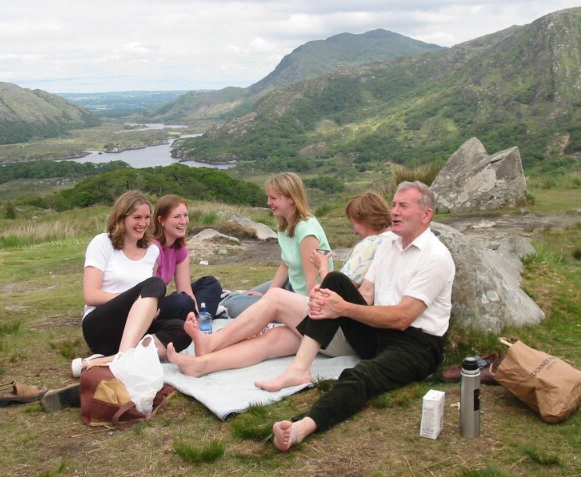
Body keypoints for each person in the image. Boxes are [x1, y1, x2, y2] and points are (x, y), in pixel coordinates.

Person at [271, 181, 455, 452]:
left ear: (425, 215)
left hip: (416, 344)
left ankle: (301, 426)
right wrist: (333, 300)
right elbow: (367, 294)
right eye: (393, 204)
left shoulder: (436, 257)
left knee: (362, 374)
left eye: (403, 206)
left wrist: (342, 308)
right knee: (335, 280)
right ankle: (300, 369)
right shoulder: (389, 244)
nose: (394, 211)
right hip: (377, 331)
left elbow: (403, 317)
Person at [166, 191, 394, 378]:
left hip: (347, 330)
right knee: (274, 340)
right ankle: (202, 365)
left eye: (354, 221)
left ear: (364, 218)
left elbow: (339, 291)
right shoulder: (392, 242)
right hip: (362, 336)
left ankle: (211, 342)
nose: (353, 228)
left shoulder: (372, 243)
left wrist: (323, 266)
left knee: (275, 298)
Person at [70, 190, 191, 378]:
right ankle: (125, 359)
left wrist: (150, 308)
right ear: (122, 218)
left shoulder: (151, 250)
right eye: (137, 217)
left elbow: (147, 299)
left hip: (133, 329)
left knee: (182, 330)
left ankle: (108, 360)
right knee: (155, 284)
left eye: (146, 217)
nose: (143, 224)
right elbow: (91, 295)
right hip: (101, 327)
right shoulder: (102, 243)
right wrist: (138, 303)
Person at [219, 172, 331, 318]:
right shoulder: (284, 225)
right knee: (244, 298)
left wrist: (307, 314)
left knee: (231, 306)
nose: (268, 202)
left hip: (302, 297)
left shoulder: (306, 231)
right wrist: (270, 293)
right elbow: (286, 264)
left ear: (291, 199)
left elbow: (312, 281)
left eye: (273, 198)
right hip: (291, 283)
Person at [151, 194, 223, 322]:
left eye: (185, 215)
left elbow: (185, 290)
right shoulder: (152, 248)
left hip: (168, 303)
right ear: (161, 220)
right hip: (150, 307)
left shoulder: (180, 249)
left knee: (211, 284)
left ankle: (198, 321)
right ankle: (189, 321)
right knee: (182, 302)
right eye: (177, 217)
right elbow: (145, 293)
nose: (183, 221)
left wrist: (196, 316)